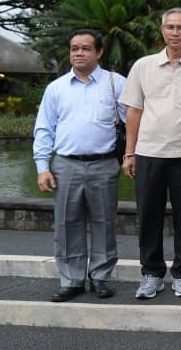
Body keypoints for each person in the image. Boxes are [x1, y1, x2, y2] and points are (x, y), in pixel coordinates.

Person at [121, 8, 181, 300]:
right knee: (148, 216)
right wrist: (129, 153)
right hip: (149, 152)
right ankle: (151, 273)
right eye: (170, 27)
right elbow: (134, 111)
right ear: (162, 30)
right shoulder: (143, 66)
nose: (175, 32)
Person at [33, 29, 126, 302]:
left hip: (104, 164)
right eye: (74, 48)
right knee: (66, 223)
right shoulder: (57, 88)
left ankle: (100, 277)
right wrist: (42, 166)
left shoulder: (116, 83)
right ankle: (71, 279)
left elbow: (131, 124)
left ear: (99, 52)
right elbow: (44, 130)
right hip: (66, 166)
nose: (79, 53)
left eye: (86, 48)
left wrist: (130, 157)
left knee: (104, 223)